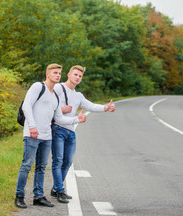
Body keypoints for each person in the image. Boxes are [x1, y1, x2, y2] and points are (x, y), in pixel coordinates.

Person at [14, 63, 86, 209]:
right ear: (48, 74)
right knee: (27, 165)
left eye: (59, 73)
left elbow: (59, 118)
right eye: (55, 73)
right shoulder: (37, 87)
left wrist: (76, 119)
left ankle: (38, 196)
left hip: (47, 136)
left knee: (41, 167)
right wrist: (32, 126)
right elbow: (26, 105)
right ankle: (19, 196)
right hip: (32, 134)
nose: (57, 75)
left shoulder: (55, 97)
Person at [51, 65, 116, 203]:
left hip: (71, 131)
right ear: (69, 74)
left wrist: (106, 108)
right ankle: (60, 190)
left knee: (68, 161)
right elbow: (48, 104)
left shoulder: (78, 95)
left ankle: (56, 188)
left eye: (80, 76)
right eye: (75, 74)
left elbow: (90, 106)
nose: (77, 77)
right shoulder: (58, 88)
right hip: (58, 128)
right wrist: (61, 109)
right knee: (58, 160)